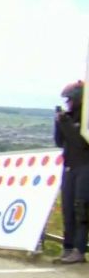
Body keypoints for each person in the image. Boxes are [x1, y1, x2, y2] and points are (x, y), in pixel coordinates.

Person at [55, 80, 89, 264]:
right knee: (67, 208)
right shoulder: (68, 117)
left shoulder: (85, 119)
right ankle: (67, 247)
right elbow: (60, 142)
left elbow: (80, 142)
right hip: (69, 167)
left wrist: (67, 123)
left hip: (85, 167)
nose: (67, 103)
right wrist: (59, 124)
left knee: (80, 208)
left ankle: (79, 249)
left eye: (69, 99)